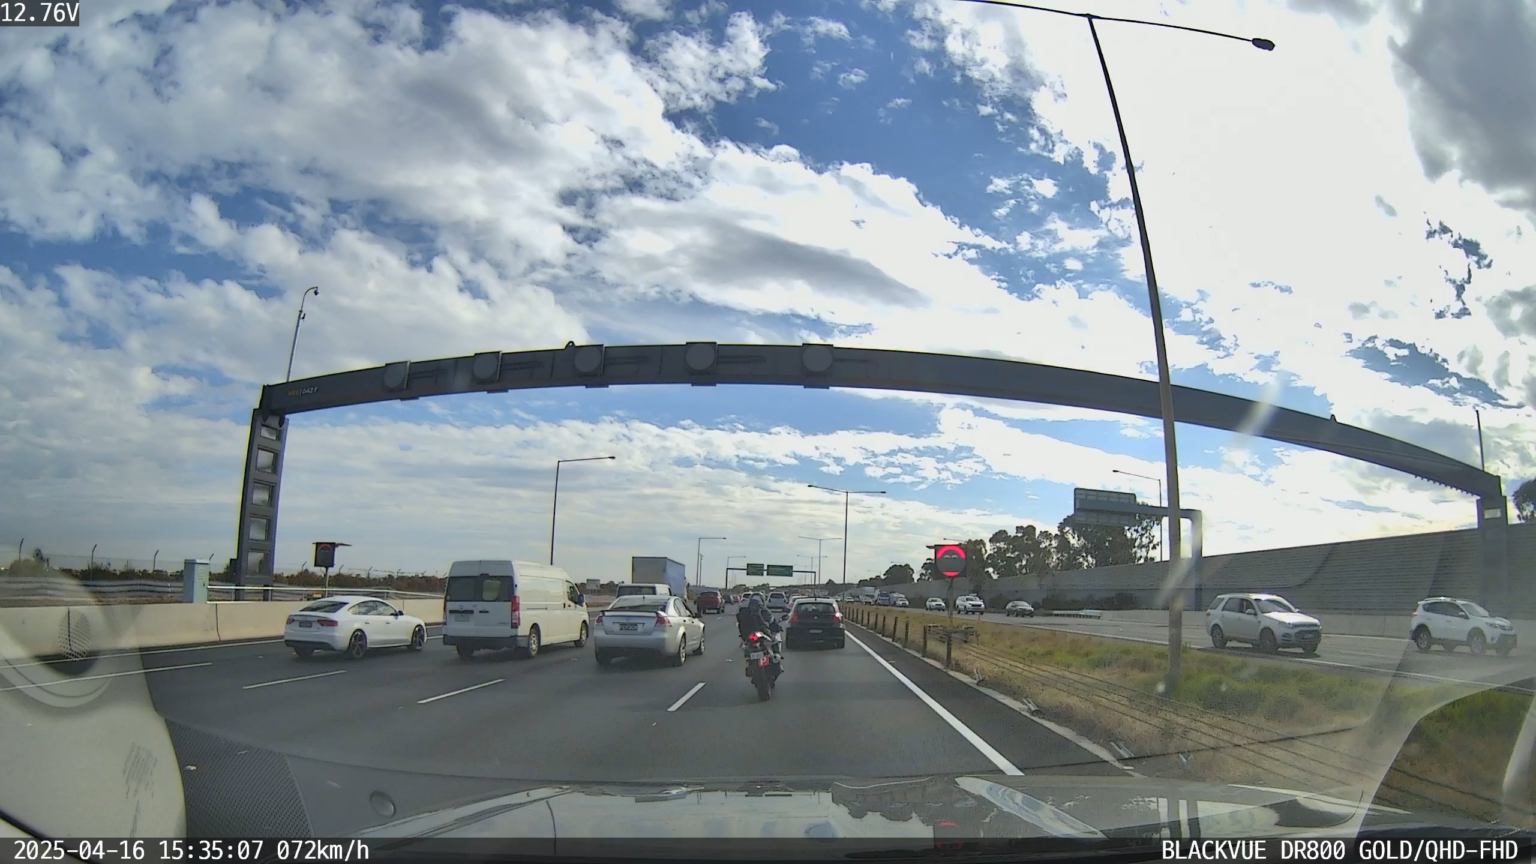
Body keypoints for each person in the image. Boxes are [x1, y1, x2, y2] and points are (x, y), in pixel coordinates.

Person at [737, 595, 783, 676]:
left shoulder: (744, 612)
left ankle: (752, 664)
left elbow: (740, 626)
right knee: (775, 640)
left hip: (749, 637)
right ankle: (777, 660)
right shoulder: (764, 611)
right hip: (760, 635)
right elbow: (772, 622)